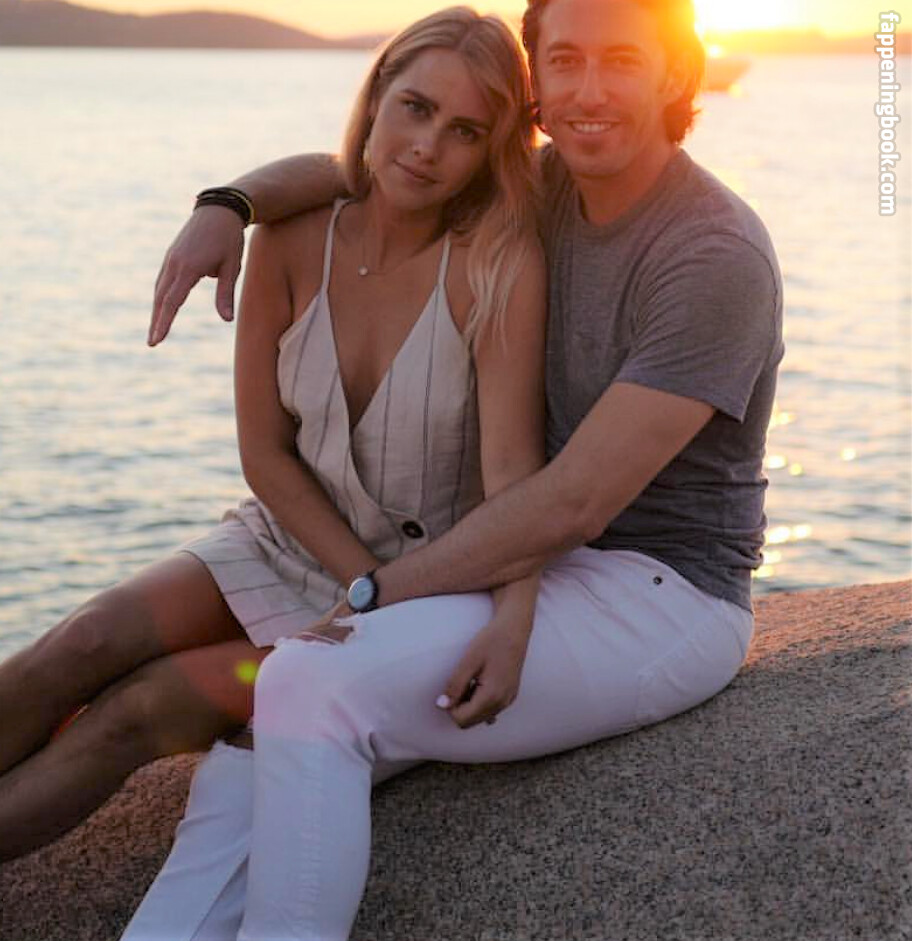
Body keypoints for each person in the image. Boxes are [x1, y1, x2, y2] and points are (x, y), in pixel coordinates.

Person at [122, 0, 784, 938]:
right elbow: (363, 171)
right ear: (537, 81)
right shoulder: (546, 184)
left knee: (309, 681)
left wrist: (372, 594)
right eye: (565, 61)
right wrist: (227, 205)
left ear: (678, 73)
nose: (590, 90)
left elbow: (576, 500)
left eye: (623, 61)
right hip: (534, 563)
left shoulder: (712, 253)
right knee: (252, 745)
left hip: (662, 591)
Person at [0, 7, 547, 863]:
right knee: (86, 638)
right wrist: (226, 200)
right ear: (377, 96)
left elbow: (515, 477)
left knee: (142, 709)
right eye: (415, 107)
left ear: (491, 150)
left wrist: (500, 617)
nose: (426, 147)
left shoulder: (496, 266)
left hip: (422, 591)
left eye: (465, 131)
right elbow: (264, 454)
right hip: (293, 542)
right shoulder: (290, 240)